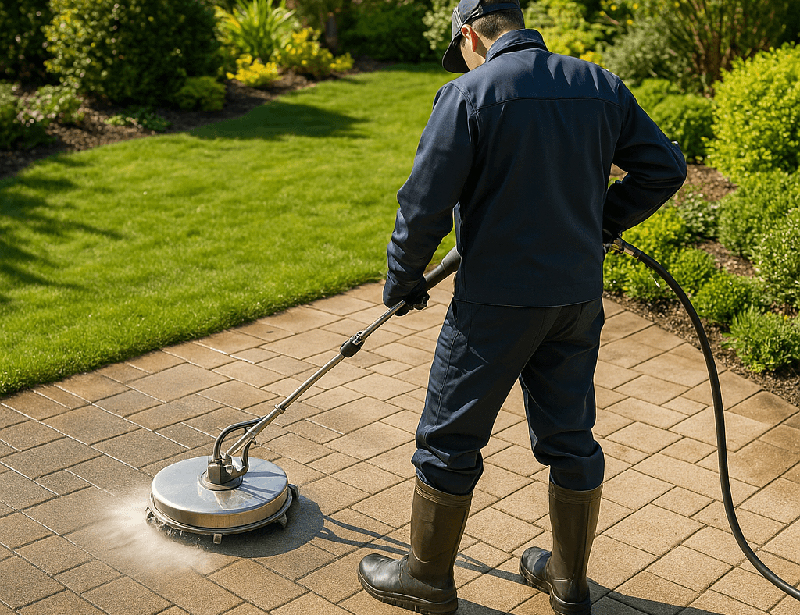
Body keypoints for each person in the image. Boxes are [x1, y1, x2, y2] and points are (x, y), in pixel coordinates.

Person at [357, 1, 687, 613]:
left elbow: (424, 203)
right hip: (576, 299)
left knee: (450, 439)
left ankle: (427, 580)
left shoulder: (469, 94)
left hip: (495, 305)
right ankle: (568, 583)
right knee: (570, 437)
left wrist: (404, 279)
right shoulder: (598, 83)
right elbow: (664, 169)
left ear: (468, 36)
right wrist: (598, 225)